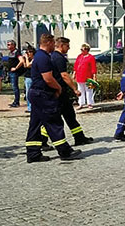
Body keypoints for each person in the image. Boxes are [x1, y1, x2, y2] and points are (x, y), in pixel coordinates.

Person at [24, 33, 81, 163]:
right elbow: (48, 78)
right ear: (48, 42)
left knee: (35, 124)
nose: (54, 46)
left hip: (36, 93)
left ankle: (33, 153)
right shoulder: (43, 57)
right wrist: (58, 88)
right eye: (53, 43)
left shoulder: (39, 56)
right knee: (54, 122)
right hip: (43, 94)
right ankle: (64, 151)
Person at [42, 37, 93, 146]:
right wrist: (75, 89)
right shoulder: (59, 58)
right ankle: (42, 140)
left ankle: (79, 137)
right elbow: (64, 75)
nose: (69, 48)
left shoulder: (54, 56)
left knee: (69, 115)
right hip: (59, 92)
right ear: (61, 45)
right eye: (67, 46)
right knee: (55, 118)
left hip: (59, 92)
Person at [74, 44, 97, 109]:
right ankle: (81, 103)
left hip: (88, 76)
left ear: (87, 50)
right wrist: (74, 73)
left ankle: (90, 103)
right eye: (81, 49)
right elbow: (76, 65)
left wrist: (94, 75)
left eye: (82, 49)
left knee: (89, 90)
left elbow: (93, 67)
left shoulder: (91, 57)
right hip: (80, 76)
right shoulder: (79, 56)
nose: (81, 51)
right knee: (80, 90)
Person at [6, 40, 23, 107]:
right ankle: (15, 101)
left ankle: (16, 102)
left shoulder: (17, 52)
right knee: (13, 87)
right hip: (10, 71)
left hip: (14, 72)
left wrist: (16, 68)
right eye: (7, 45)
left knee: (15, 87)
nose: (8, 46)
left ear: (13, 45)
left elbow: (21, 61)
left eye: (9, 44)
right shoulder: (10, 52)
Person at [21, 47, 35, 112]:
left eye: (29, 52)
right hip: (27, 77)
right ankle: (29, 107)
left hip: (32, 77)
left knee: (31, 93)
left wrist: (26, 58)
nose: (28, 54)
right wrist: (24, 60)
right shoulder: (28, 59)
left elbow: (29, 65)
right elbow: (25, 66)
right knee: (27, 93)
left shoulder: (34, 59)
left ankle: (32, 108)